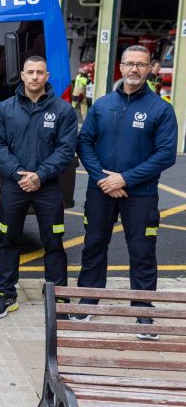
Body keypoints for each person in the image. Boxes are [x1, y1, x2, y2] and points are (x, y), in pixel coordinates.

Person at [75, 45, 177, 338]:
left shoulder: (161, 109)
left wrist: (125, 179)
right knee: (93, 245)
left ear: (149, 69)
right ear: (120, 67)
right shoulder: (102, 105)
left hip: (141, 195)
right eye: (129, 64)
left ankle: (143, 312)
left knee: (142, 252)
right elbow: (84, 144)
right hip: (100, 190)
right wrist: (102, 179)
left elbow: (166, 154)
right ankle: (87, 303)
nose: (134, 69)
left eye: (141, 65)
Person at [0, 56, 77, 318]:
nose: (35, 77)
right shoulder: (5, 109)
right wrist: (17, 173)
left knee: (53, 241)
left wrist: (39, 175)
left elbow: (65, 149)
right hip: (14, 185)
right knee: (8, 240)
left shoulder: (63, 111)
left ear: (47, 76)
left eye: (40, 72)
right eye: (30, 72)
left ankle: (57, 296)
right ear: (22, 76)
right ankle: (6, 294)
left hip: (48, 186)